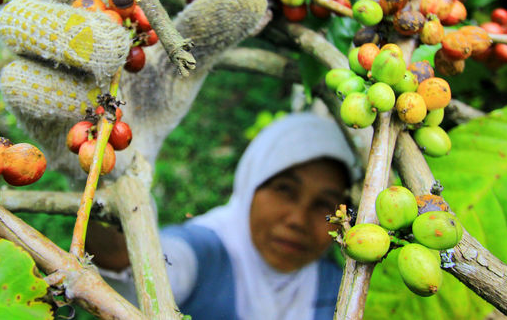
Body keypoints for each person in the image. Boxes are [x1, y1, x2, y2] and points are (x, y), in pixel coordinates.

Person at [87, 112, 358, 320]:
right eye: (285, 189)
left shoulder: (336, 286)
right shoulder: (205, 251)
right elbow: (134, 262)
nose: (298, 219)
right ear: (250, 184)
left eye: (324, 204)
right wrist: (101, 178)